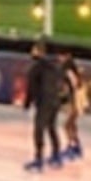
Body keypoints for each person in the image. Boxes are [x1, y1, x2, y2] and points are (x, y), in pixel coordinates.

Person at [23, 40, 64, 172]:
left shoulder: (36, 67)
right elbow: (61, 83)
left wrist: (27, 103)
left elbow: (31, 87)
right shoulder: (56, 66)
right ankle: (56, 155)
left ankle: (39, 158)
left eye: (34, 50)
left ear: (39, 52)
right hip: (55, 101)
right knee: (52, 127)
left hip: (44, 101)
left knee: (39, 128)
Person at [60, 52, 88, 160]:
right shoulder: (72, 72)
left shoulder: (68, 72)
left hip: (76, 101)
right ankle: (75, 146)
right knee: (71, 124)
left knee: (67, 125)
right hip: (76, 101)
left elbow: (74, 86)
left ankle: (72, 146)